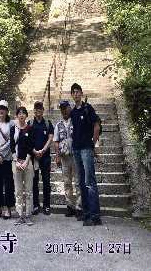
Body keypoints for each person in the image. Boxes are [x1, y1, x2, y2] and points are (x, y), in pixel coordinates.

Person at [70, 83, 102, 226]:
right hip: (76, 149)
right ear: (71, 95)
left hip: (86, 149)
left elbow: (97, 125)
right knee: (81, 181)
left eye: (78, 92)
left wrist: (93, 143)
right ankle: (86, 213)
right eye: (74, 92)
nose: (76, 94)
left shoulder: (87, 108)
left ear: (81, 93)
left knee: (89, 181)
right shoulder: (72, 112)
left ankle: (95, 215)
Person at [54, 100, 82, 219]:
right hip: (64, 157)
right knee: (67, 182)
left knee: (78, 182)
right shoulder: (58, 124)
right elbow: (56, 141)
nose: (64, 111)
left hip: (76, 155)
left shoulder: (75, 121)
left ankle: (79, 207)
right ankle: (70, 206)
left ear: (69, 108)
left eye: (65, 108)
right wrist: (58, 155)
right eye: (62, 109)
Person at [0, 100, 15, 219]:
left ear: (7, 111)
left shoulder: (11, 124)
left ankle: (8, 209)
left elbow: (11, 141)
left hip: (7, 157)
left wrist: (1, 153)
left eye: (3, 109)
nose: (1, 110)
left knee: (8, 184)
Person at [10, 106, 34, 226]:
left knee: (28, 191)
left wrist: (26, 162)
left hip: (28, 162)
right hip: (16, 162)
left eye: (23, 113)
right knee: (18, 191)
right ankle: (20, 215)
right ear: (16, 115)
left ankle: (28, 215)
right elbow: (12, 146)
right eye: (19, 113)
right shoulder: (13, 129)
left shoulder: (30, 128)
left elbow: (31, 147)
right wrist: (16, 161)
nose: (21, 115)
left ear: (26, 115)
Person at [30, 101, 54, 216]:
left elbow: (50, 139)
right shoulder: (30, 124)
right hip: (33, 157)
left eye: (40, 108)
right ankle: (35, 205)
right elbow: (27, 140)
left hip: (45, 157)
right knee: (34, 182)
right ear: (34, 110)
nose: (38, 110)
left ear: (43, 110)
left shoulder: (48, 124)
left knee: (46, 181)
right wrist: (34, 151)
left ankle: (47, 205)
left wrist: (43, 150)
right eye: (36, 108)